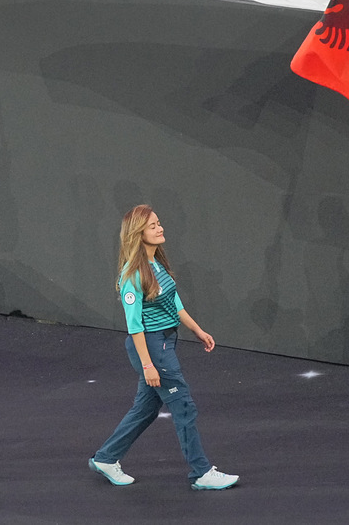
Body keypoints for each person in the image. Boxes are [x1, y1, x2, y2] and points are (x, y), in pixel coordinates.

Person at [89, 205, 238, 491]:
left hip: (166, 341)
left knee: (146, 407)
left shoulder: (156, 263)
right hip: (152, 347)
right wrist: (148, 365)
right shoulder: (132, 274)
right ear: (138, 234)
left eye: (159, 223)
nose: (160, 228)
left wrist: (197, 330)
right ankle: (201, 472)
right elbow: (135, 328)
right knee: (183, 406)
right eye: (153, 226)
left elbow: (174, 303)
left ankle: (106, 458)